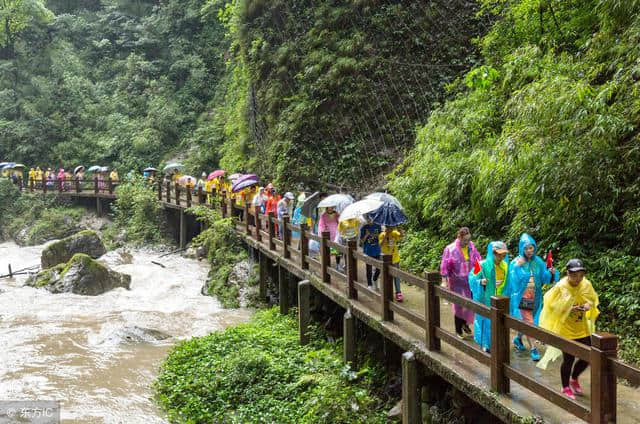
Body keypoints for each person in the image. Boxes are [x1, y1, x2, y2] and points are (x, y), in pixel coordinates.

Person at [536, 259, 599, 400]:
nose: (578, 279)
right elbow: (550, 304)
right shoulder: (561, 287)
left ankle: (574, 378)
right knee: (568, 359)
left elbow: (592, 299)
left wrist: (588, 305)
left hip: (581, 328)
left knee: (588, 356)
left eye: (581, 275)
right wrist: (567, 307)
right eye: (574, 275)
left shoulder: (585, 284)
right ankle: (565, 387)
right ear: (568, 273)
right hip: (565, 330)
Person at [505, 233, 558, 361]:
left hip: (536, 295)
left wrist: (551, 273)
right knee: (529, 322)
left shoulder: (538, 261)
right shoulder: (516, 263)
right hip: (524, 296)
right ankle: (533, 348)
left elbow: (544, 278)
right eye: (527, 248)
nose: (530, 251)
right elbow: (514, 281)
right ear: (522, 248)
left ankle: (518, 339)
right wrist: (518, 267)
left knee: (528, 319)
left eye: (532, 248)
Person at [440, 227, 482, 339]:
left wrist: (479, 274)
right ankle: (458, 330)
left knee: (470, 304)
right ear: (459, 237)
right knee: (458, 305)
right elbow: (445, 265)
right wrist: (444, 280)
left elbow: (478, 260)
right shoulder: (450, 249)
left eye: (469, 240)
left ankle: (465, 324)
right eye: (465, 240)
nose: (467, 242)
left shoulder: (471, 246)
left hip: (470, 280)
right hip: (456, 281)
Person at [468, 241, 509, 352]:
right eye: (499, 254)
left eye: (503, 255)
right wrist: (480, 282)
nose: (501, 257)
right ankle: (486, 344)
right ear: (493, 253)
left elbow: (507, 282)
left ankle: (496, 344)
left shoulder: (505, 266)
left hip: (499, 298)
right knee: (485, 322)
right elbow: (471, 278)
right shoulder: (481, 264)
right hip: (485, 298)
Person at [379, 225, 404, 302]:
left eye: (390, 227)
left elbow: (401, 237)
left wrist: (400, 230)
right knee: (385, 276)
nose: (389, 228)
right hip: (385, 259)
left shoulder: (394, 233)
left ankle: (398, 292)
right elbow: (381, 244)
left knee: (396, 276)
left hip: (395, 258)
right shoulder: (382, 234)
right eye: (387, 227)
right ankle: (385, 292)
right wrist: (386, 234)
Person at [360, 215, 382, 288]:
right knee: (368, 268)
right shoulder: (364, 228)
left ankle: (375, 279)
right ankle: (369, 284)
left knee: (379, 268)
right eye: (368, 218)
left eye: (371, 218)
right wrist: (366, 235)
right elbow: (362, 241)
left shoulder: (378, 226)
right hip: (368, 250)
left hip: (377, 250)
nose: (369, 220)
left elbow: (381, 237)